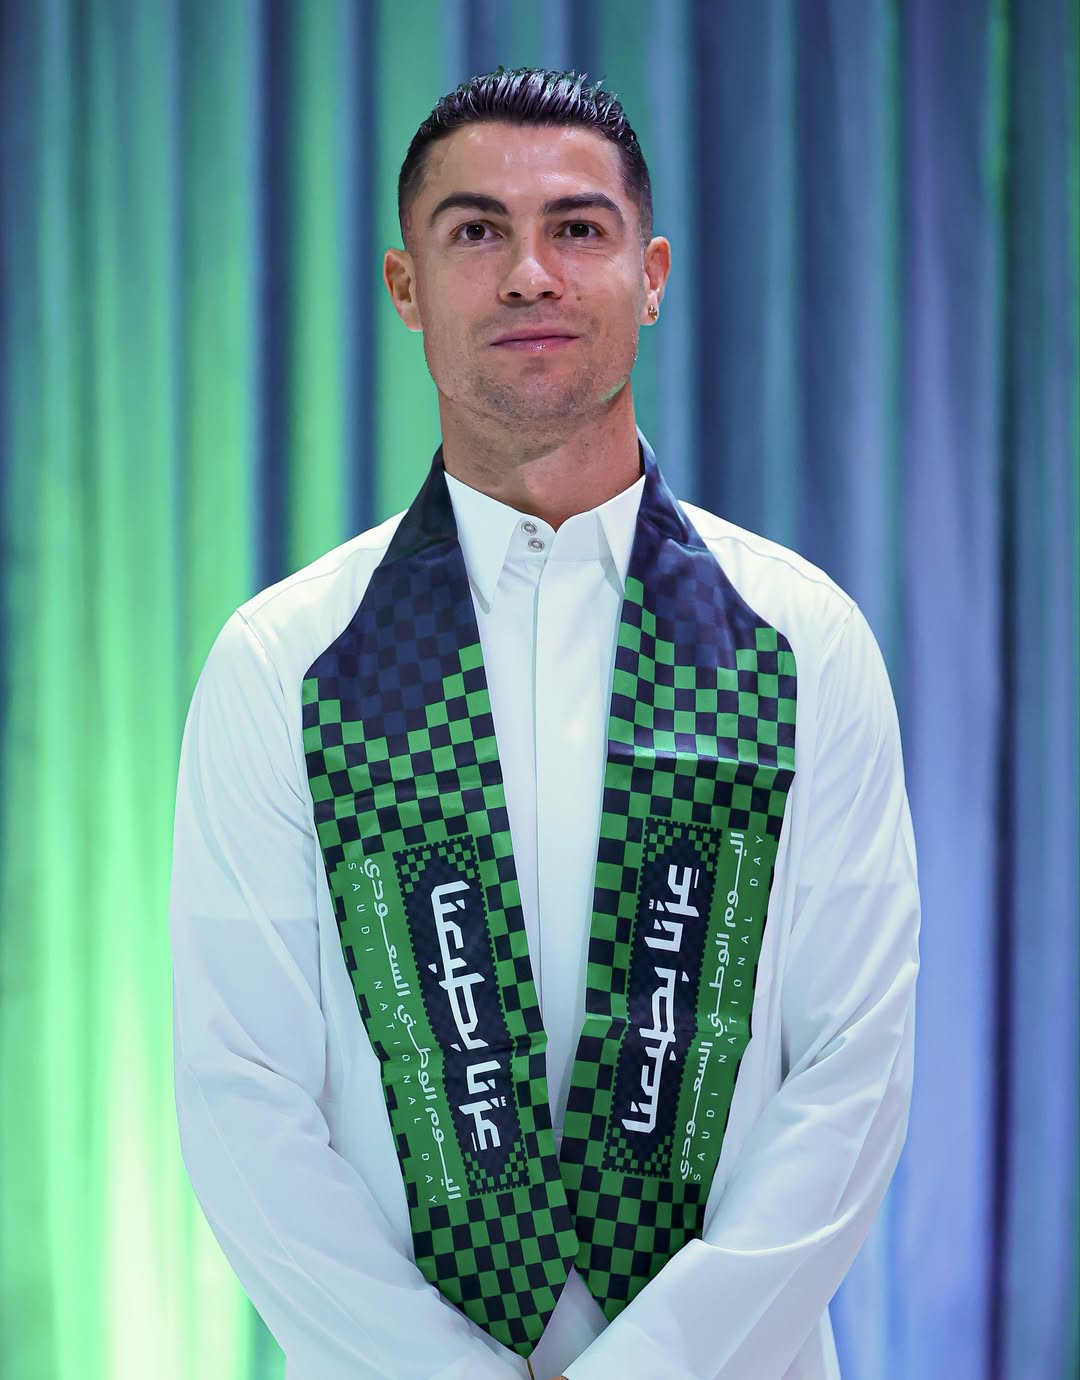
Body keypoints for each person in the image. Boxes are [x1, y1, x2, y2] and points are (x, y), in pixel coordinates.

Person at [170, 67, 920, 1380]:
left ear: (652, 275)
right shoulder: (283, 663)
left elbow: (853, 1077)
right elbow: (243, 1099)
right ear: (406, 286)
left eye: (577, 228)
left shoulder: (803, 642)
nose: (530, 274)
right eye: (477, 232)